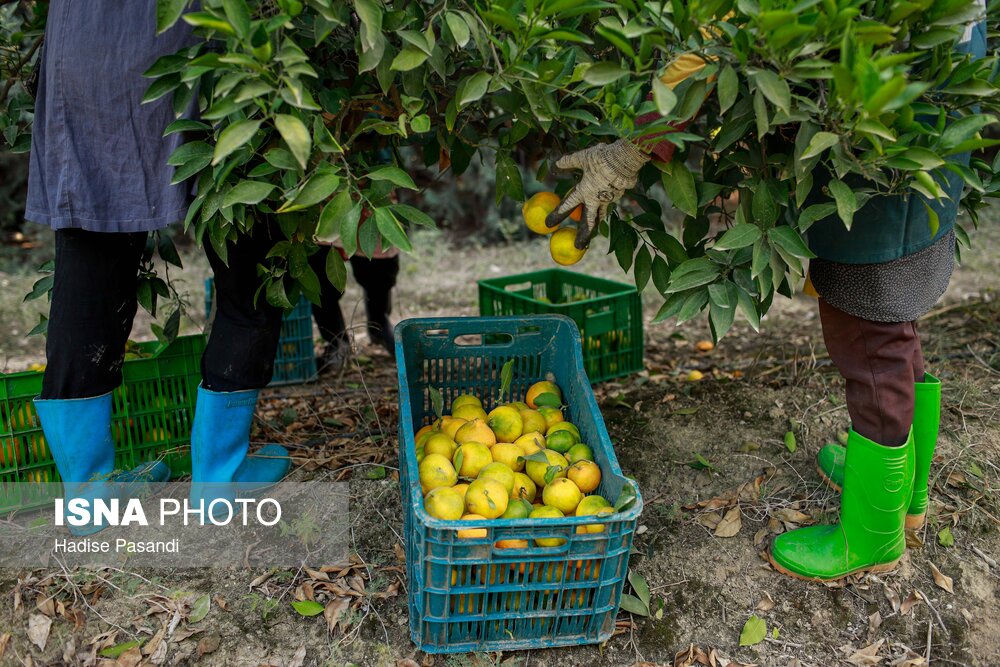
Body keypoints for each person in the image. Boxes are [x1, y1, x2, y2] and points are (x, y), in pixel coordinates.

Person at [546, 4, 987, 582]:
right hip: (905, 92)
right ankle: (901, 494)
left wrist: (638, 141)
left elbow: (722, 34)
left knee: (874, 325)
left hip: (886, 110)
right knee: (891, 313)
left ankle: (873, 536)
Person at [25, 3, 289, 533]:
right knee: (250, 256)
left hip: (89, 53)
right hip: (213, 49)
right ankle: (220, 480)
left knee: (91, 255)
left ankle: (89, 497)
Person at [308, 241, 399, 371]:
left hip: (369, 222)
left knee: (379, 266)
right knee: (321, 269)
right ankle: (337, 343)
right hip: (323, 224)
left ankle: (379, 327)